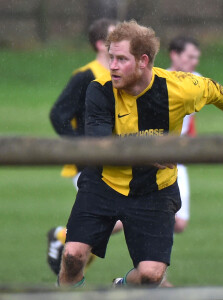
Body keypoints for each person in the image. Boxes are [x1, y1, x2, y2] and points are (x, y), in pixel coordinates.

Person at [58, 20, 223, 288]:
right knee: (73, 256)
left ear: (143, 61)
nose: (112, 66)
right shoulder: (99, 90)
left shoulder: (179, 87)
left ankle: (121, 286)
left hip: (155, 190)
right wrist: (146, 155)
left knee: (151, 276)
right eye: (111, 57)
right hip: (103, 183)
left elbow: (213, 89)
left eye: (121, 59)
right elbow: (99, 146)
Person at [47, 18, 122, 276]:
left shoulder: (122, 75)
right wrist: (82, 149)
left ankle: (66, 255)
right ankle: (63, 244)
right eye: (115, 36)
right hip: (91, 164)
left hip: (115, 162)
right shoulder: (85, 76)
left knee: (110, 221)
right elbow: (58, 115)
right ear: (101, 44)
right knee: (116, 218)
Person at [168, 36, 201, 233]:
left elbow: (189, 119)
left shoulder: (197, 80)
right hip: (154, 155)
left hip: (178, 157)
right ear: (174, 55)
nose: (194, 61)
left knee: (179, 223)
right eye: (189, 56)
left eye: (196, 57)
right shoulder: (158, 79)